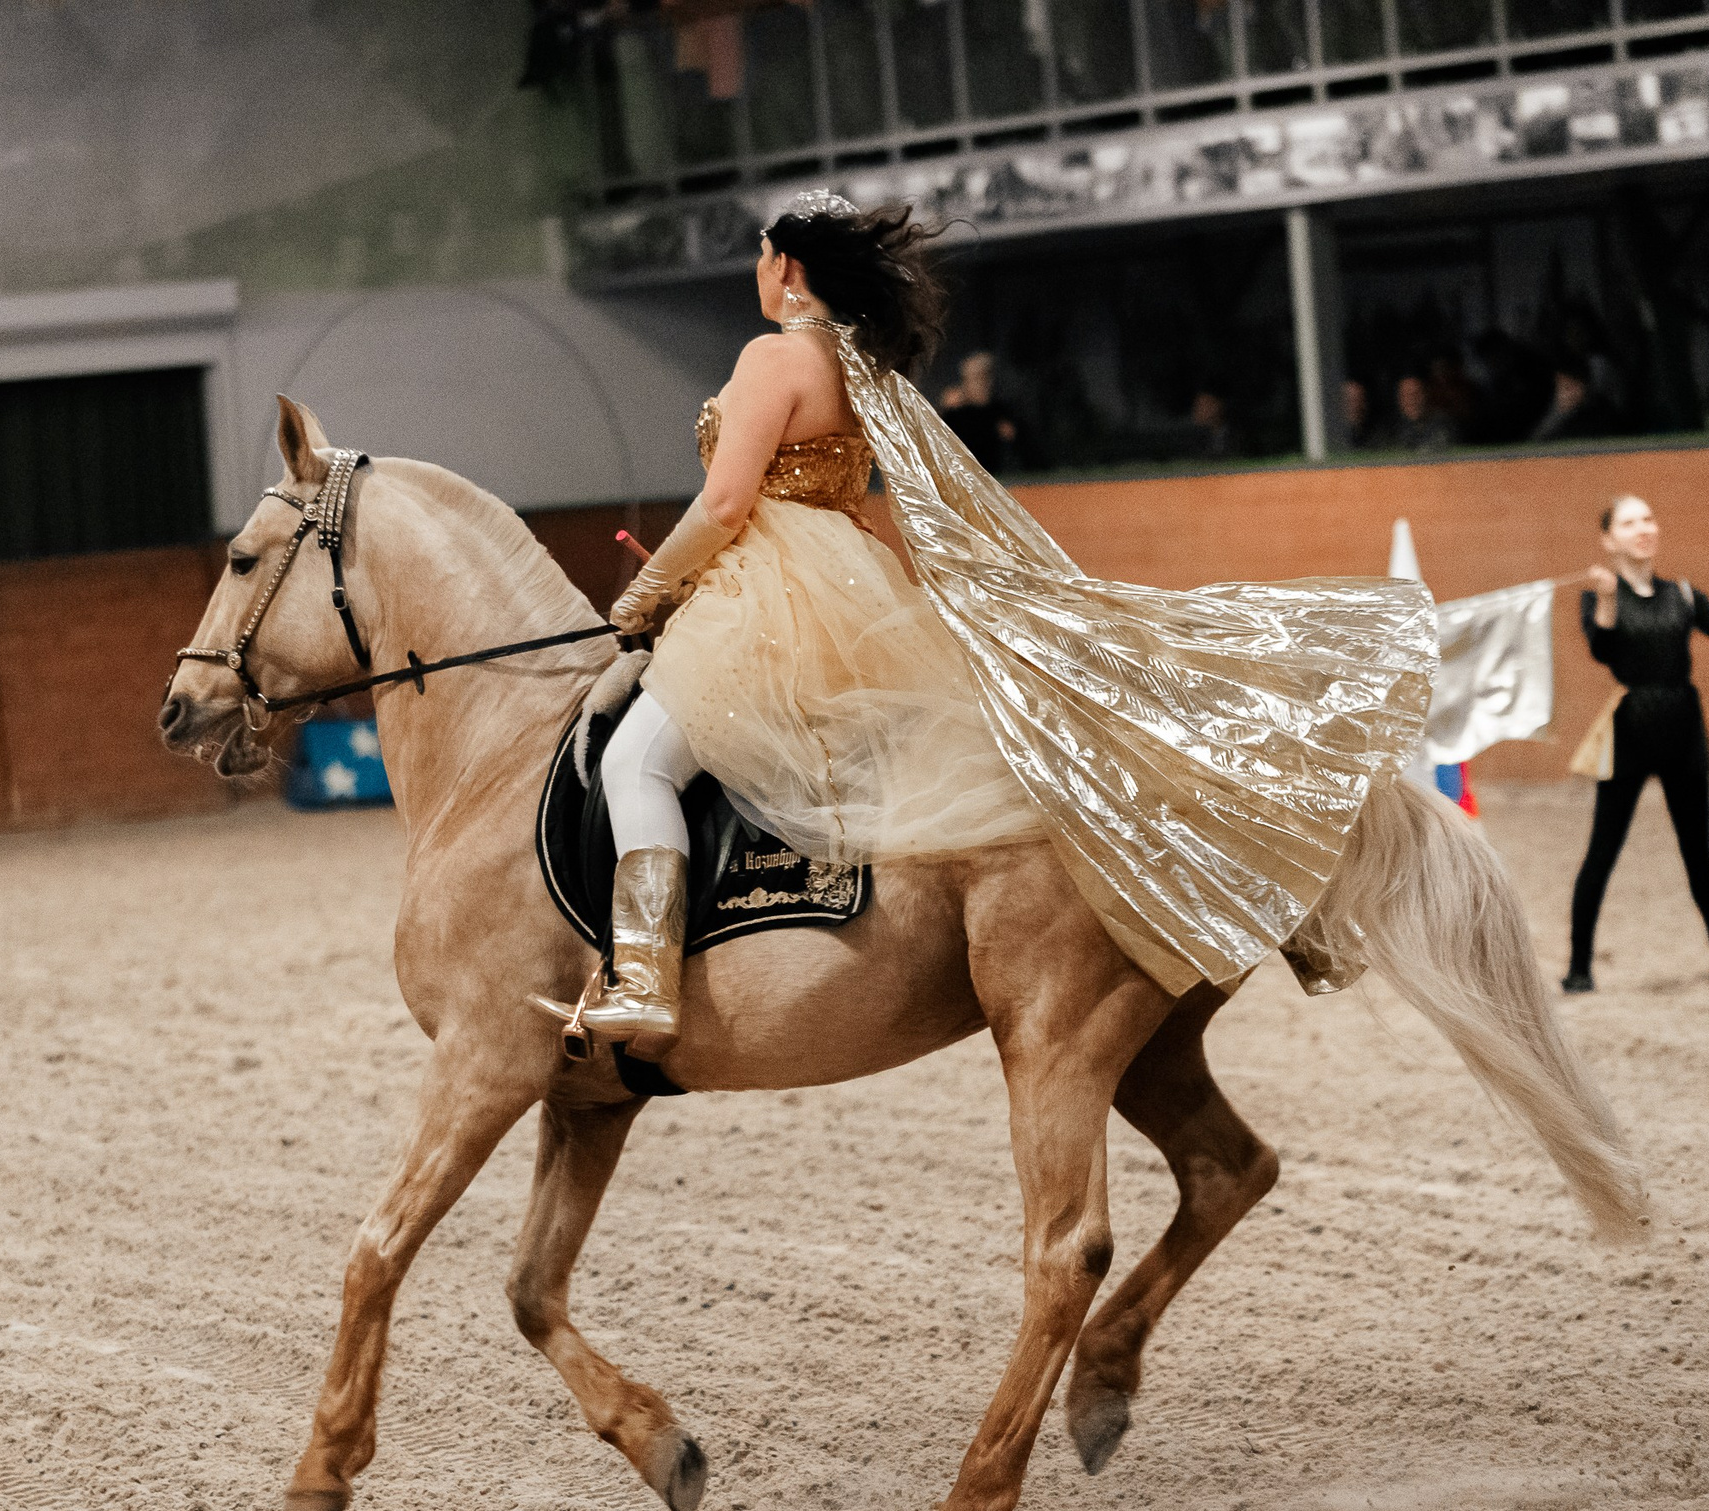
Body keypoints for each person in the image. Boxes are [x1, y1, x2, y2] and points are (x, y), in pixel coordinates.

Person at [549, 192, 1432, 1047]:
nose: (756, 270)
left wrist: (647, 587)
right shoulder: (865, 373)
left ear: (786, 266)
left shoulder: (772, 358)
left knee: (637, 765)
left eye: (760, 255)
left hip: (766, 600)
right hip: (847, 596)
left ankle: (645, 980)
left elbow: (728, 498)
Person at [1562, 496, 1709, 993]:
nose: (1644, 528)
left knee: (1698, 850)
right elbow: (1603, 652)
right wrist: (1609, 600)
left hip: (1682, 726)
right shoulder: (1598, 596)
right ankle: (1578, 968)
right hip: (1632, 727)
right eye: (1630, 522)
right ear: (1609, 541)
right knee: (1602, 851)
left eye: (1649, 518)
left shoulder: (1682, 594)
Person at [937, 351, 1018, 473]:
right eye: (969, 378)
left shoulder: (1001, 410)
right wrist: (943, 410)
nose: (977, 384)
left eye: (981, 378)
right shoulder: (955, 413)